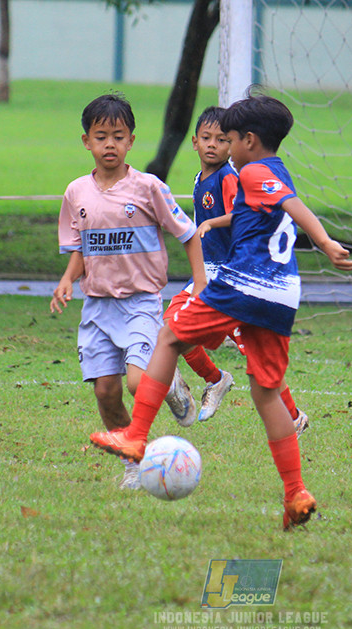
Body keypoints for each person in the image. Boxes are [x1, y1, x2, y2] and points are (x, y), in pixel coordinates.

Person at [90, 93, 352, 529]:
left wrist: (325, 242)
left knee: (170, 334)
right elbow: (270, 209)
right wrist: (218, 223)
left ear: (248, 140)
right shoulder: (275, 169)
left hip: (245, 283)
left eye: (229, 138)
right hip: (284, 292)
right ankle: (295, 494)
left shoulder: (251, 170)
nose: (226, 147)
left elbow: (294, 207)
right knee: (266, 391)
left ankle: (136, 437)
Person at [49, 93, 207, 490]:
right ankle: (132, 463)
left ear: (131, 141)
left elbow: (188, 234)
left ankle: (167, 383)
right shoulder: (76, 193)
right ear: (86, 140)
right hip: (97, 305)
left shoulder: (149, 187)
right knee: (106, 391)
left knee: (138, 382)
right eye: (101, 136)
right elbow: (82, 248)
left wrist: (201, 282)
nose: (109, 145)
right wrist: (68, 279)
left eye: (118, 137)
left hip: (140, 301)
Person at [164, 106, 309, 434]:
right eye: (206, 138)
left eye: (220, 139)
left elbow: (241, 214)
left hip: (232, 274)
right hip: (213, 271)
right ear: (194, 142)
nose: (212, 145)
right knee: (182, 328)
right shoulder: (201, 179)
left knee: (179, 327)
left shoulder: (230, 178)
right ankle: (217, 381)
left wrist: (214, 222)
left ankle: (288, 415)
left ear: (233, 145)